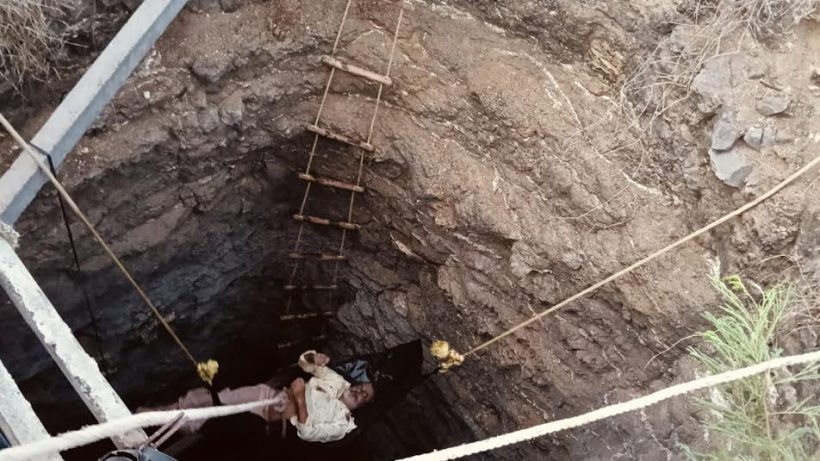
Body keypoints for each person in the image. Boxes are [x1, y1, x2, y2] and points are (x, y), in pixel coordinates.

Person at [139, 350, 374, 442]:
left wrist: (301, 398)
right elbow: (305, 363)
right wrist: (314, 358)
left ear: (362, 406)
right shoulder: (336, 380)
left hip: (271, 421)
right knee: (213, 398)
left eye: (365, 396)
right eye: (362, 387)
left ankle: (162, 425)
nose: (360, 391)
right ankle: (154, 414)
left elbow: (309, 433)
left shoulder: (342, 424)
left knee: (212, 423)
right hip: (270, 395)